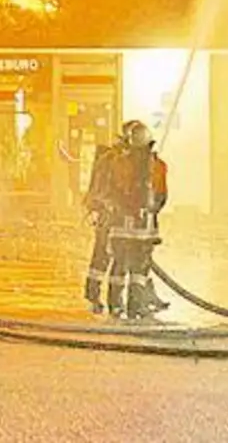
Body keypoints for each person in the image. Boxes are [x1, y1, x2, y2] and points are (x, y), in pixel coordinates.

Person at [106, 119, 170, 319]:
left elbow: (112, 192)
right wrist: (150, 211)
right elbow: (162, 196)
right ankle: (135, 307)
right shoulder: (158, 166)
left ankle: (115, 305)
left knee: (119, 266)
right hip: (145, 229)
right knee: (139, 270)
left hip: (120, 227)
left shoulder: (119, 163)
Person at [82, 134, 122, 314]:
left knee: (108, 255)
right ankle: (95, 294)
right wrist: (106, 206)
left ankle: (97, 295)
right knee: (103, 254)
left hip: (114, 214)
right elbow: (103, 189)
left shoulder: (112, 160)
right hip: (108, 215)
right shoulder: (111, 161)